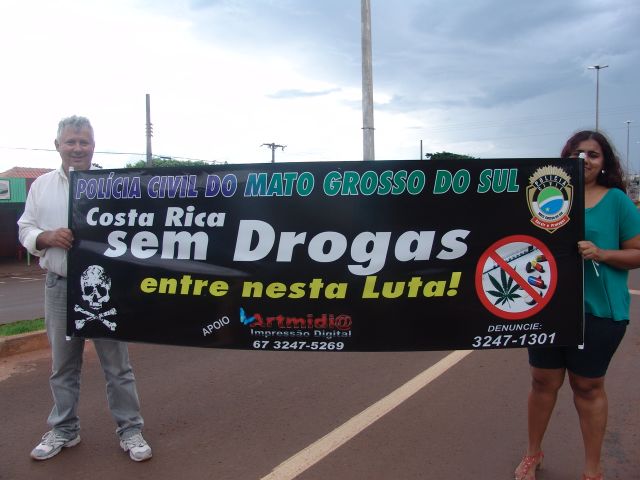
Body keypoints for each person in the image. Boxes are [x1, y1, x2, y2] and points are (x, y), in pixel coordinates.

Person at [18, 116, 153, 462]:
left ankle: (130, 429)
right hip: (60, 285)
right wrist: (45, 237)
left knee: (117, 366)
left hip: (106, 288)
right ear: (58, 145)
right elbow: (25, 228)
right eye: (71, 142)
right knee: (63, 366)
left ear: (93, 146)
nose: (77, 148)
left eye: (84, 142)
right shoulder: (41, 186)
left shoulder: (112, 186)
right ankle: (64, 429)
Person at [514, 130, 640, 480]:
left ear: (605, 163)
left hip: (598, 312)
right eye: (577, 153)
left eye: (593, 154)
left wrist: (602, 253)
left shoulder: (616, 201)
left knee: (587, 387)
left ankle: (592, 470)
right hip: (547, 309)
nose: (585, 160)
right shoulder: (543, 197)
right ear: (565, 158)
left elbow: (637, 252)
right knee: (542, 382)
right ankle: (533, 453)